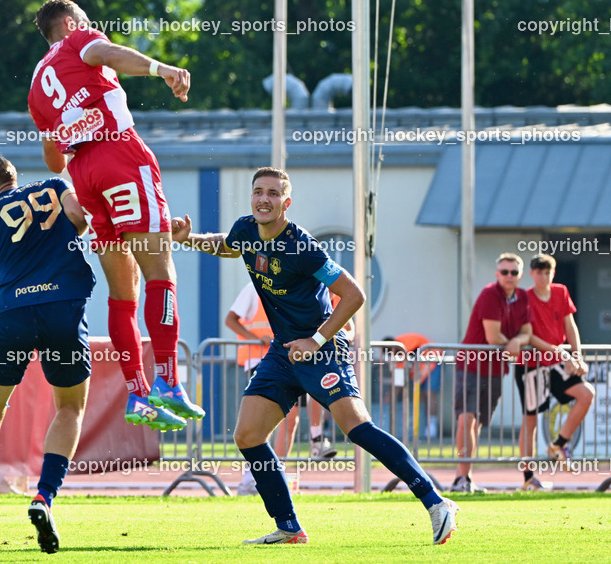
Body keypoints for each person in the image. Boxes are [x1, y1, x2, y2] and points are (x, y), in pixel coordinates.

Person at [172, 166, 458, 546]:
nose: (264, 199)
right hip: (284, 350)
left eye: (273, 193)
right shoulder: (246, 229)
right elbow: (227, 244)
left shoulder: (302, 246)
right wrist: (189, 239)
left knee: (357, 428)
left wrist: (317, 339)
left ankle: (436, 502)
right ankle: (288, 527)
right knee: (248, 434)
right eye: (258, 191)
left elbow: (354, 294)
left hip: (323, 348)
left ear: (286, 202)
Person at [27, 0, 202, 432]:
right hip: (119, 153)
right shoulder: (79, 41)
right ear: (70, 24)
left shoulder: (36, 86)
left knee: (123, 293)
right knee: (160, 272)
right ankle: (168, 381)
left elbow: (53, 160)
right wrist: (162, 69)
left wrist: (73, 124)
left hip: (83, 174)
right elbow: (107, 53)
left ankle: (137, 394)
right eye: (86, 22)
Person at [0, 152, 95, 554]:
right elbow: (82, 219)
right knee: (70, 408)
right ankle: (43, 496)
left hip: (12, 314)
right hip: (63, 307)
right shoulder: (55, 186)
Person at [227, 284, 337, 497]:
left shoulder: (299, 284)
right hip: (261, 360)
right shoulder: (253, 287)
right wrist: (255, 338)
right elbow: (230, 319)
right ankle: (251, 479)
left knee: (290, 419)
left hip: (289, 360)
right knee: (261, 422)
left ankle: (276, 475)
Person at [452, 253, 535, 494]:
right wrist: (515, 341)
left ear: (520, 275)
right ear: (497, 274)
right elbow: (493, 337)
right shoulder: (490, 294)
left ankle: (467, 477)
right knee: (466, 419)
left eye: (514, 272)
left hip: (496, 369)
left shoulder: (523, 297)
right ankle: (460, 478)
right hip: (471, 365)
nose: (509, 276)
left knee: (477, 423)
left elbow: (528, 332)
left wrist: (518, 341)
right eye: (505, 272)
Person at [517, 254, 595, 491]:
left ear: (553, 272)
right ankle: (528, 478)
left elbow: (570, 325)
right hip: (531, 364)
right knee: (530, 420)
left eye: (547, 272)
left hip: (556, 362)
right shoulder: (524, 298)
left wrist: (576, 356)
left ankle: (559, 444)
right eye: (539, 272)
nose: (543, 276)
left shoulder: (561, 292)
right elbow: (528, 336)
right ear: (531, 274)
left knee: (586, 393)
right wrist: (560, 352)